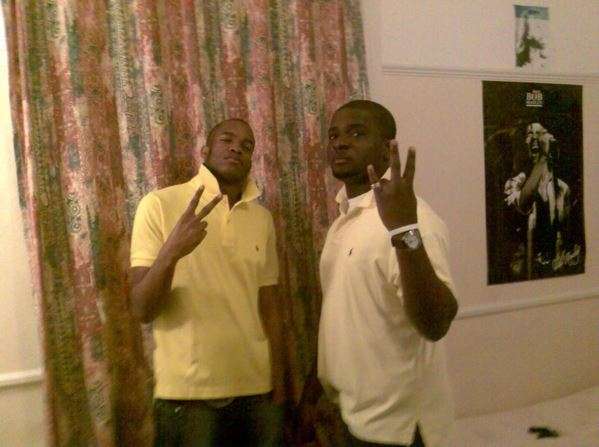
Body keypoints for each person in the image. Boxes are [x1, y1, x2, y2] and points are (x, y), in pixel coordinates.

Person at [298, 100, 459, 447]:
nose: (340, 143)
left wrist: (404, 230)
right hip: (351, 415)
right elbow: (341, 313)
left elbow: (436, 323)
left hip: (399, 429)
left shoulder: (416, 221)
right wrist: (313, 392)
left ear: (387, 150)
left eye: (356, 133)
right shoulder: (344, 220)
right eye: (334, 135)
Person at [129, 118, 285, 446]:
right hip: (188, 396)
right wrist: (172, 251)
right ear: (205, 150)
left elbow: (270, 306)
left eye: (247, 146)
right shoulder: (159, 204)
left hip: (257, 391)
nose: (237, 148)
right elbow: (142, 309)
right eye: (227, 140)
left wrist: (280, 380)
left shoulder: (262, 218)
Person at [503, 122, 580, 277]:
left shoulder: (563, 189)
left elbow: (566, 236)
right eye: (530, 134)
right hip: (523, 275)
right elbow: (523, 204)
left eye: (541, 133)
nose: (535, 138)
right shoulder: (514, 183)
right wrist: (543, 157)